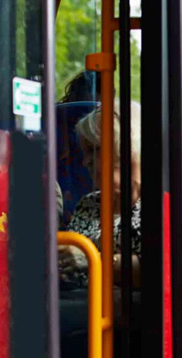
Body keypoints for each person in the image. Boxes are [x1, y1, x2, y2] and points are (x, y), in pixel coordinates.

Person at [59, 101, 141, 290]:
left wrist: (92, 259)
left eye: (95, 150)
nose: (86, 161)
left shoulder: (162, 205)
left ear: (127, 149)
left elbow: (159, 269)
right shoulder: (89, 203)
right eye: (84, 153)